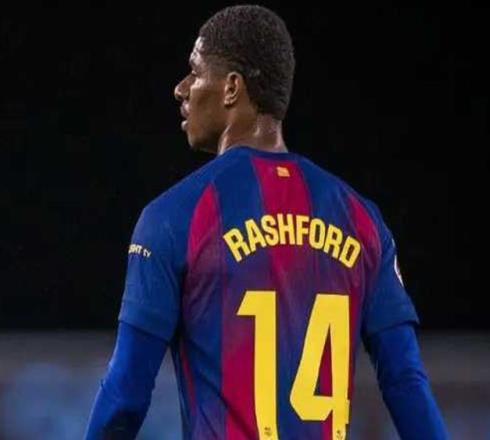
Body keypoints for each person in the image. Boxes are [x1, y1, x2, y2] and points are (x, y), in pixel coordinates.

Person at [85, 5, 448, 439]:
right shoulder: (361, 219)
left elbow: (125, 395)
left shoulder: (175, 216)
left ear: (231, 88)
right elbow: (405, 382)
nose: (180, 89)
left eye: (194, 72)